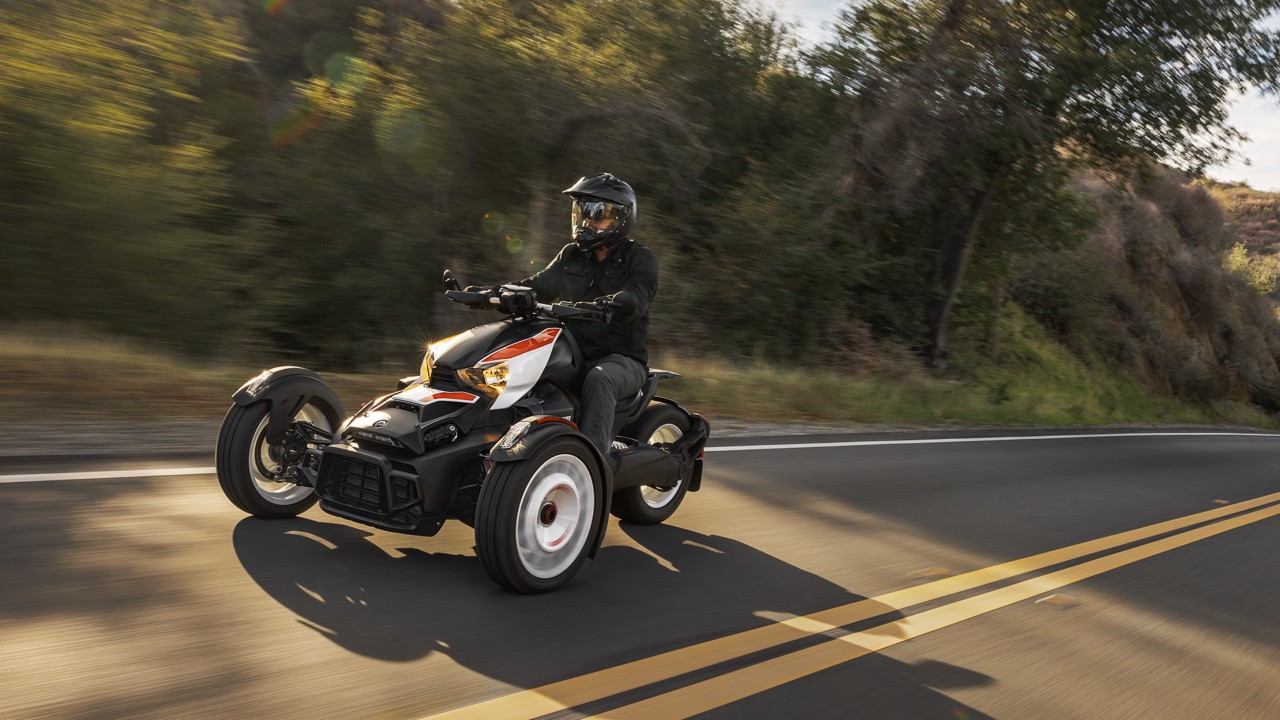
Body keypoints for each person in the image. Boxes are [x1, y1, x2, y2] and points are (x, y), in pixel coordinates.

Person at [490, 172, 658, 458]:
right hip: (573, 352)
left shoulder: (640, 258)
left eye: (598, 214)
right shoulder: (571, 255)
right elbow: (538, 285)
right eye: (584, 212)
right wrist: (492, 293)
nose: (588, 221)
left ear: (621, 218)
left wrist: (614, 304)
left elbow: (637, 296)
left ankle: (591, 465)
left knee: (600, 379)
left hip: (621, 360)